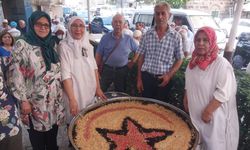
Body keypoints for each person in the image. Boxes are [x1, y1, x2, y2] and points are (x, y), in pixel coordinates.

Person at [7, 11, 65, 150]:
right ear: (32, 25)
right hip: (34, 102)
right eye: (39, 24)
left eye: (46, 24)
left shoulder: (52, 43)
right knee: (37, 137)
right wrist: (23, 100)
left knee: (52, 135)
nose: (43, 27)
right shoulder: (22, 44)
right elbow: (15, 74)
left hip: (54, 100)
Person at [183, 26, 239, 150]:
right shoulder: (193, 62)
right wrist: (186, 96)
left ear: (212, 42)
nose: (200, 43)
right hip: (196, 117)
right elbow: (189, 81)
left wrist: (208, 112)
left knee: (214, 145)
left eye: (205, 40)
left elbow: (223, 93)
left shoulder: (222, 64)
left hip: (214, 118)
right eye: (198, 40)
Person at [59, 16, 106, 123]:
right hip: (75, 93)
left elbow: (94, 68)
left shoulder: (88, 45)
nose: (78, 29)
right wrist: (72, 99)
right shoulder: (64, 46)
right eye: (74, 26)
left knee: (89, 122)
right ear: (69, 28)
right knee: (76, 124)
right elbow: (65, 75)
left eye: (81, 26)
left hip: (89, 91)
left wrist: (98, 88)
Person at [136, 2, 184, 104]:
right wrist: (139, 78)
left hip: (164, 79)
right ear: (154, 15)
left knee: (160, 109)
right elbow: (141, 57)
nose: (160, 17)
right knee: (145, 107)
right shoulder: (146, 34)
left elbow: (180, 59)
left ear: (169, 15)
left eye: (163, 13)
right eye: (157, 14)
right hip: (147, 78)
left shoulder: (176, 36)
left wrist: (169, 75)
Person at [95, 13, 138, 92]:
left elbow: (138, 50)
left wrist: (132, 62)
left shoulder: (129, 39)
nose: (118, 24)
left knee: (120, 92)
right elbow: (98, 54)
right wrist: (96, 70)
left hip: (122, 70)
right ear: (112, 24)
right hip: (107, 69)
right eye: (115, 22)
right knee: (101, 90)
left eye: (120, 22)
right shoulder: (105, 38)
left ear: (124, 24)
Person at [0, 31, 22, 150]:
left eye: (9, 37)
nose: (7, 39)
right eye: (5, 37)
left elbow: (17, 68)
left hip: (9, 115)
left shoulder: (3, 61)